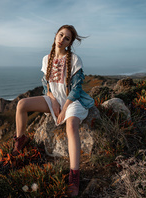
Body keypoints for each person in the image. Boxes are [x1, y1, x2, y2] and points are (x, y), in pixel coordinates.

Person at [12, 25, 94, 197]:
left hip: (73, 101)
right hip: (54, 99)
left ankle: (74, 176)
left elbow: (77, 88)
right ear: (56, 35)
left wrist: (64, 109)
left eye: (67, 38)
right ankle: (20, 142)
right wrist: (54, 102)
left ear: (70, 43)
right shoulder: (46, 58)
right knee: (21, 105)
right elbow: (46, 86)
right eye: (61, 35)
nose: (62, 39)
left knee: (70, 125)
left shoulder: (75, 59)